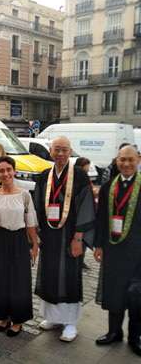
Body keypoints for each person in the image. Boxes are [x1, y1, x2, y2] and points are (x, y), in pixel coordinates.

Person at [33, 136, 96, 342]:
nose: (60, 154)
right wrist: (38, 232)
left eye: (65, 150)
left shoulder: (79, 176)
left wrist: (79, 238)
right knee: (50, 274)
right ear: (50, 151)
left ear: (70, 152)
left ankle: (69, 322)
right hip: (50, 236)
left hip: (70, 236)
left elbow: (86, 206)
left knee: (68, 277)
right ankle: (53, 318)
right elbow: (37, 205)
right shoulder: (44, 176)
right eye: (57, 149)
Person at [94, 145, 141, 356]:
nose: (126, 164)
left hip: (137, 252)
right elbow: (101, 220)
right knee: (114, 293)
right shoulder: (107, 188)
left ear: (138, 160)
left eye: (131, 160)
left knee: (136, 296)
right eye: (123, 160)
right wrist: (98, 245)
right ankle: (114, 332)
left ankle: (135, 337)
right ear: (117, 161)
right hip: (113, 250)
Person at [0, 156, 38, 336]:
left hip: (19, 239)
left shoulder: (24, 195)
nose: (6, 174)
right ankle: (3, 316)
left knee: (19, 279)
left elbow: (30, 220)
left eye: (9, 169)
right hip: (0, 239)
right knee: (0, 279)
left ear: (14, 171)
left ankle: (18, 319)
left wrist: (35, 245)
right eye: (1, 171)